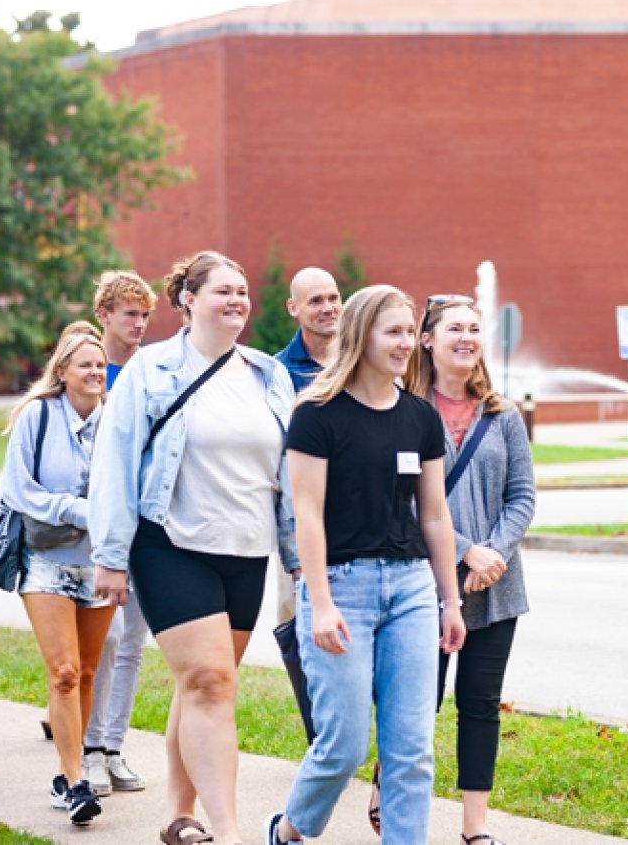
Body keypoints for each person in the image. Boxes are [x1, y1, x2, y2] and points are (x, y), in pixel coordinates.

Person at [89, 251, 297, 845]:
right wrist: (109, 554)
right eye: (222, 291)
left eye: (243, 291)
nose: (237, 301)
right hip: (170, 541)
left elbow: (288, 470)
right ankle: (228, 831)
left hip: (245, 546)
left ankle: (177, 815)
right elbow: (114, 460)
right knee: (210, 681)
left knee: (204, 683)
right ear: (188, 300)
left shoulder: (266, 375)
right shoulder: (151, 370)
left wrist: (296, 554)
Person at [266, 284, 466, 845]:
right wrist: (321, 604)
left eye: (410, 332)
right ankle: (287, 831)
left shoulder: (418, 417)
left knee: (410, 750)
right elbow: (304, 513)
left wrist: (450, 601)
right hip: (341, 589)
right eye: (394, 332)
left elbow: (434, 515)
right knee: (345, 746)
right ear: (361, 336)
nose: (406, 344)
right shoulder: (317, 415)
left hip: (410, 590)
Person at [417, 294, 535, 845]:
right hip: (426, 583)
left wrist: (494, 554)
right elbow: (405, 502)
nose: (466, 337)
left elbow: (523, 496)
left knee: (480, 705)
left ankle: (474, 828)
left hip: (496, 587)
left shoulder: (502, 415)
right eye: (453, 329)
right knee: (419, 701)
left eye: (473, 328)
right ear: (427, 340)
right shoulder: (406, 412)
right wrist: (465, 550)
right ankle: (389, 790)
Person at [0, 332, 114, 826]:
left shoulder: (117, 423)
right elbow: (19, 488)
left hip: (100, 561)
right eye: (84, 365)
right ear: (62, 370)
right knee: (64, 672)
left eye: (100, 365)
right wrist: (79, 510)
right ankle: (75, 781)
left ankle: (69, 770)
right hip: (44, 559)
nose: (94, 372)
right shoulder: (37, 417)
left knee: (87, 672)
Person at [81, 270, 158, 797]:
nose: (138, 323)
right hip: (101, 529)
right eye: (129, 313)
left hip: (149, 531)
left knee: (132, 642)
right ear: (103, 314)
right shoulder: (87, 373)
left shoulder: (153, 373)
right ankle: (86, 751)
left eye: (144, 314)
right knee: (103, 643)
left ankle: (113, 749)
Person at [273, 267, 343, 743]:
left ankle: (345, 727)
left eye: (334, 297)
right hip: (299, 517)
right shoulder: (276, 372)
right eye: (315, 300)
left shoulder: (359, 360)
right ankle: (318, 734)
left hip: (356, 512)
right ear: (294, 309)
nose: (328, 308)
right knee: (295, 620)